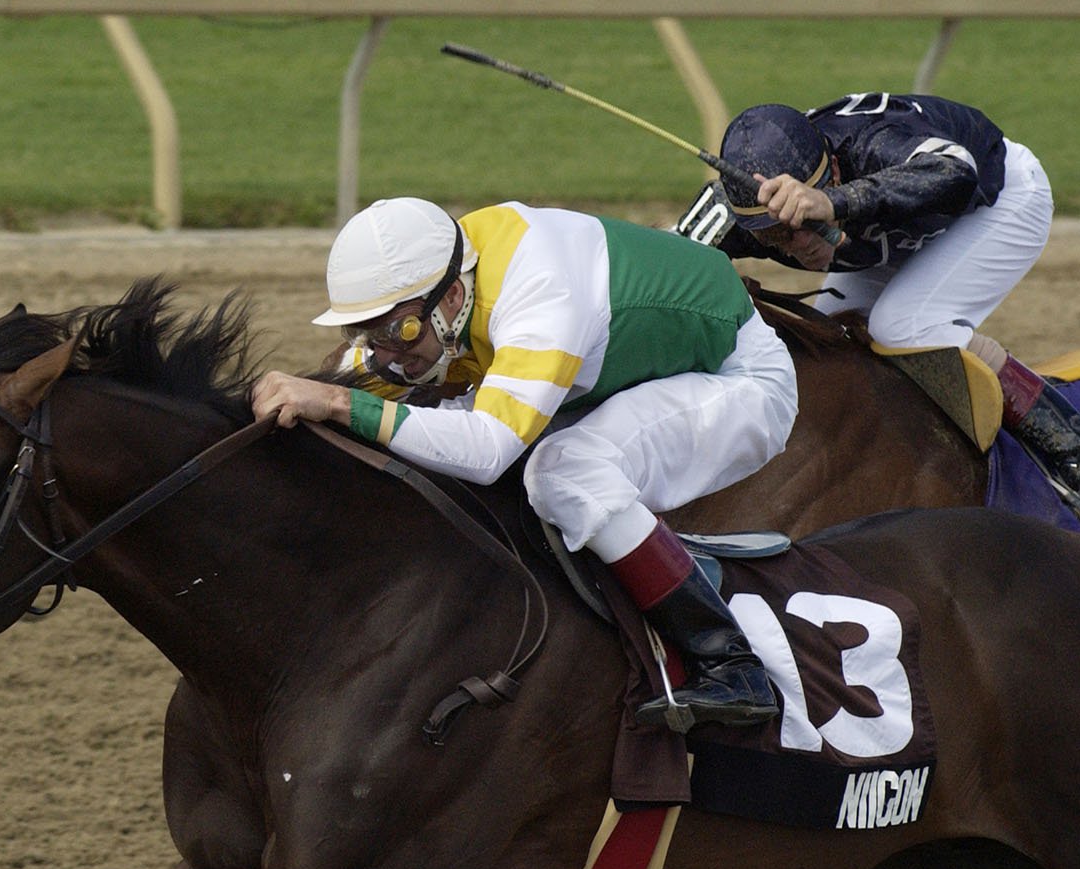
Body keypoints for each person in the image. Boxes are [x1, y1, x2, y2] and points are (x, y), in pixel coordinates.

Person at [251, 197, 799, 732]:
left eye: (400, 333)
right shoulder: (438, 281)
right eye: (368, 333)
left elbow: (486, 451)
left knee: (563, 473)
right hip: (622, 372)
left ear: (452, 296)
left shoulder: (540, 294)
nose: (386, 351)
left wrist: (342, 402)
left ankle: (729, 662)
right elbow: (356, 376)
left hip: (741, 380)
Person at [679, 93, 1077, 495]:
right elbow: (665, 267)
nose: (800, 243)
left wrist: (834, 203)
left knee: (904, 326)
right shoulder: (733, 216)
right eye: (776, 234)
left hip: (996, 200)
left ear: (835, 170)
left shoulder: (871, 141)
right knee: (833, 343)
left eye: (807, 221)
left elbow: (956, 171)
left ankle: (1069, 445)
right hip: (894, 232)